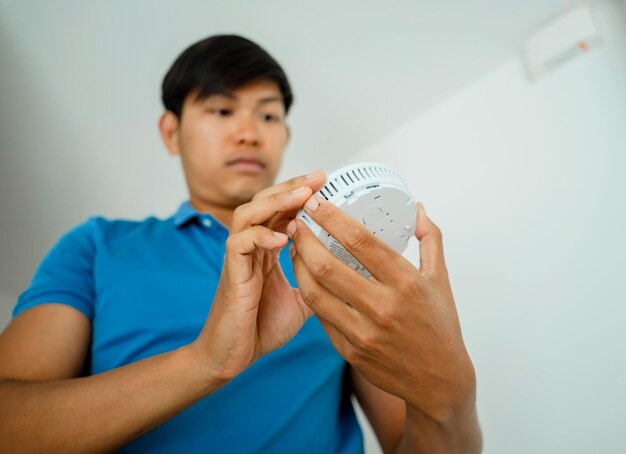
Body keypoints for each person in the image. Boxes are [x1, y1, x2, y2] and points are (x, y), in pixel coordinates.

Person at [0, 35, 482, 453]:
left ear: (285, 134)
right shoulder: (96, 247)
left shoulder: (336, 260)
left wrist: (451, 393)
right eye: (222, 109)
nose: (250, 133)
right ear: (172, 132)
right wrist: (204, 362)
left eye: (268, 115)